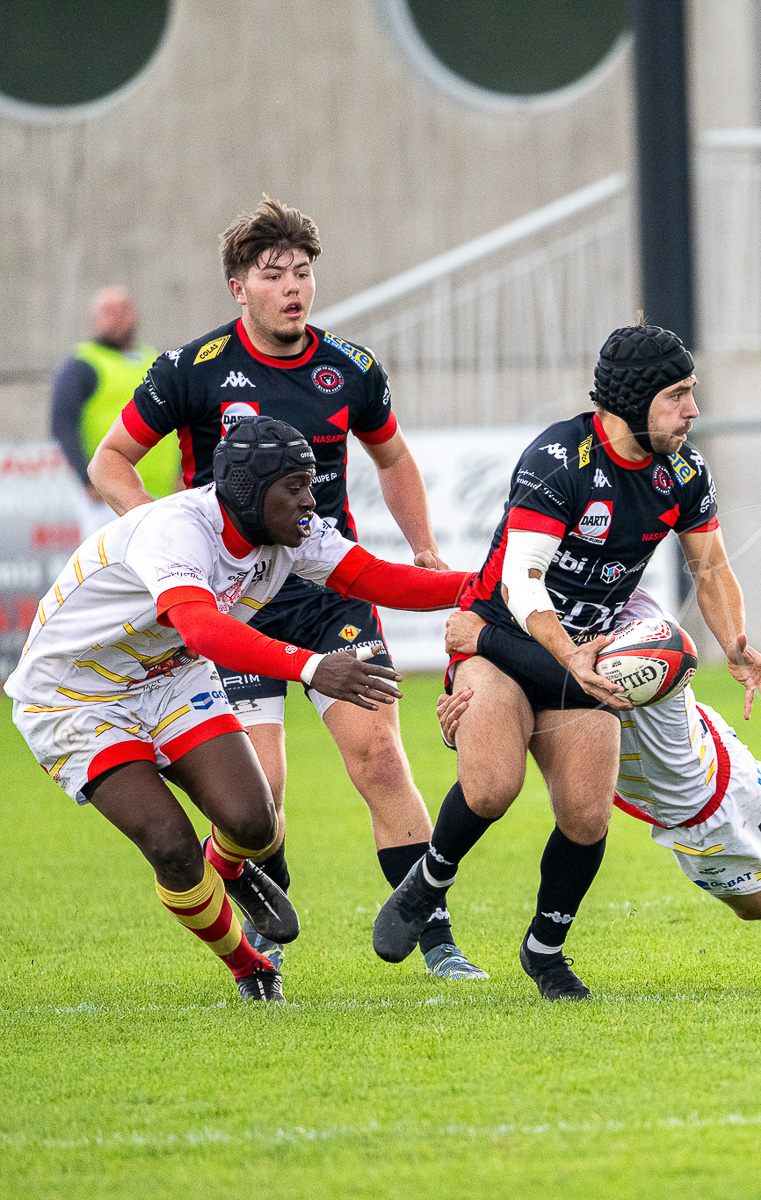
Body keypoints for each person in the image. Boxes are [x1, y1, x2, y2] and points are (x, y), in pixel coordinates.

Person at [87, 197, 484, 980]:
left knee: (378, 756)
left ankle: (437, 942)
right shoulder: (191, 370)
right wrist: (167, 545)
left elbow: (394, 460)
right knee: (259, 788)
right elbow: (112, 464)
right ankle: (262, 920)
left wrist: (427, 550)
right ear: (240, 287)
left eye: (303, 273)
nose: (293, 288)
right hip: (235, 600)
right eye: (274, 276)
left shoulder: (351, 369)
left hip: (328, 586)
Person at [372, 323, 761, 1000]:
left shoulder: (682, 472)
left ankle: (545, 951)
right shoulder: (558, 460)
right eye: (678, 395)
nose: (692, 410)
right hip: (501, 639)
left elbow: (710, 567)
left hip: (590, 655)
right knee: (491, 787)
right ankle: (429, 882)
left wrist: (736, 642)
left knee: (586, 815)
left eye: (693, 394)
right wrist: (569, 656)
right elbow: (523, 583)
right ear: (630, 401)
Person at [8, 418, 470, 1001]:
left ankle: (225, 867)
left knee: (255, 823)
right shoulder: (177, 529)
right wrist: (312, 666)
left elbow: (377, 578)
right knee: (171, 846)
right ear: (249, 494)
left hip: (167, 678)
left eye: (311, 483)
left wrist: (482, 586)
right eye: (296, 486)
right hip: (74, 695)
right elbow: (201, 630)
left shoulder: (294, 532)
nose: (311, 499)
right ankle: (249, 965)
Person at [437, 599, 761, 955]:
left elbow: (563, 683)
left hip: (700, 811)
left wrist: (484, 641)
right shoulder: (621, 598)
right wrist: (469, 718)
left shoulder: (624, 645)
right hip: (711, 744)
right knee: (714, 768)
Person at [49, 287, 180, 537]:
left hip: (163, 496)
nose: (117, 317)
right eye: (108, 311)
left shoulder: (154, 360)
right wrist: (88, 480)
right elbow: (63, 424)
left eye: (123, 309)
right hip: (110, 496)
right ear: (93, 319)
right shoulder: (83, 364)